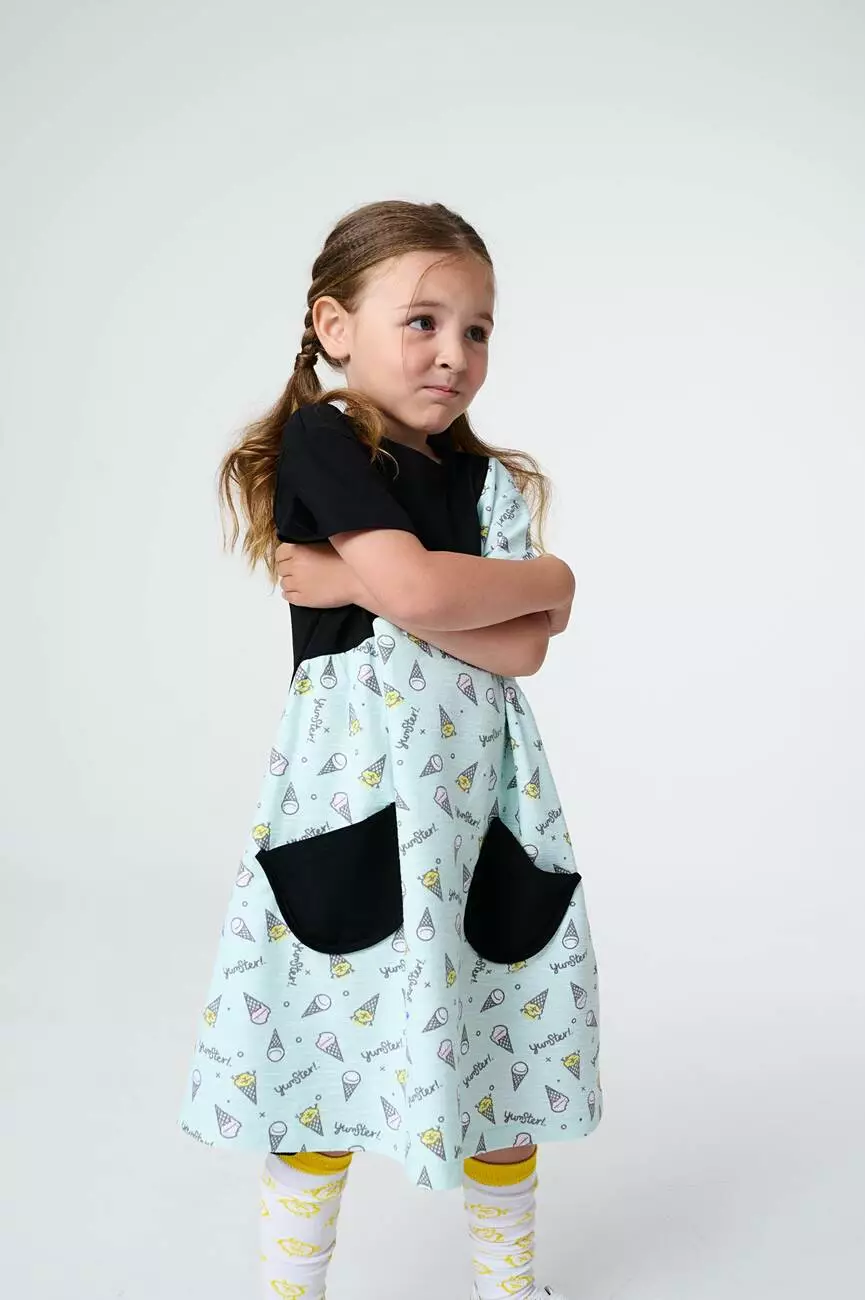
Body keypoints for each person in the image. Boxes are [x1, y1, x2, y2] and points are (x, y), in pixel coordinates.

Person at [178, 199, 603, 1299]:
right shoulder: (327, 443)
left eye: (477, 329)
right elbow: (431, 593)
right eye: (423, 321)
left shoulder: (488, 482)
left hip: (481, 813)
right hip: (355, 806)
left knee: (499, 1039)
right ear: (335, 326)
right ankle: (292, 1286)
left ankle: (510, 1284)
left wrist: (525, 585)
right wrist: (509, 587)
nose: (454, 353)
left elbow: (521, 649)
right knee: (321, 1057)